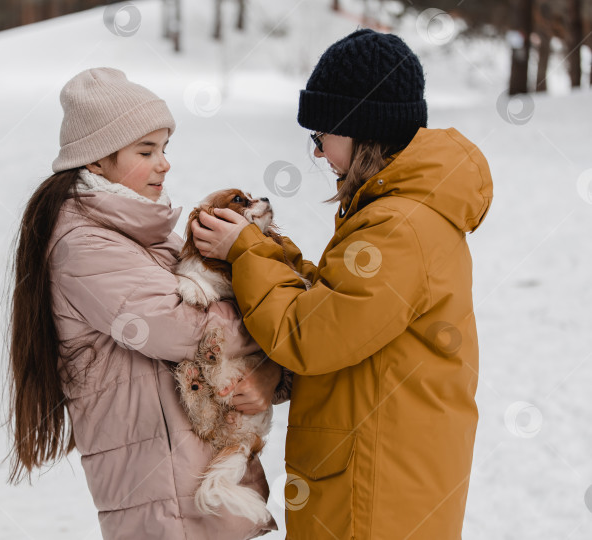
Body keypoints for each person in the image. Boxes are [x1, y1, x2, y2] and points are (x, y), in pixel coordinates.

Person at [190, 29, 493, 539]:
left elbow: (309, 335)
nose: (317, 153)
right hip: (378, 477)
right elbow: (340, 304)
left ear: (362, 129)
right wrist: (271, 251)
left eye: (321, 136)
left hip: (374, 493)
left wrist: (245, 252)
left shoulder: (398, 226)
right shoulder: (400, 212)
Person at [3, 67, 290, 539]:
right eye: (146, 151)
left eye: (164, 149)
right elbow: (183, 329)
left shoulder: (143, 232)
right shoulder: (84, 243)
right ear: (97, 162)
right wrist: (270, 313)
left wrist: (266, 370)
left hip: (196, 487)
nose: (164, 164)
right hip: (163, 504)